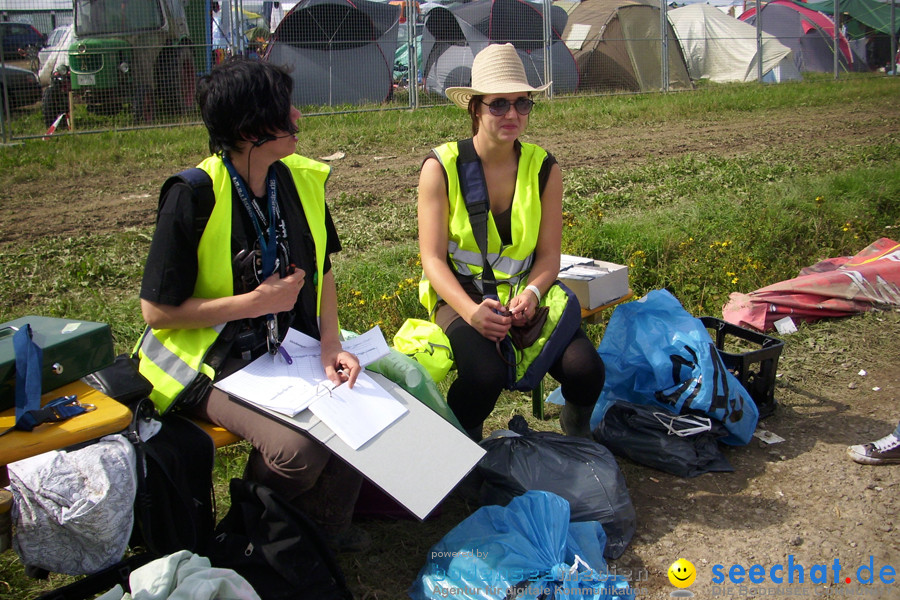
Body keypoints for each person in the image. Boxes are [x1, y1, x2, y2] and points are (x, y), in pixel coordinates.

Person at [137, 58, 368, 551]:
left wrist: (331, 344)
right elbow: (156, 314)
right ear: (249, 129)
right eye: (285, 110)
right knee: (298, 451)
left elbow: (323, 269)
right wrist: (252, 303)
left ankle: (320, 536)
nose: (300, 116)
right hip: (206, 364)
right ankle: (241, 538)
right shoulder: (192, 195)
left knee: (362, 406)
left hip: (282, 352)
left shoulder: (300, 181)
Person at [417, 43, 605, 441]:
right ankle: (463, 448)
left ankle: (576, 435)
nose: (513, 115)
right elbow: (432, 260)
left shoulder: (544, 168)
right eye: (499, 104)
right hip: (459, 295)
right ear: (475, 108)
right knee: (483, 375)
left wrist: (534, 293)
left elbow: (549, 257)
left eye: (523, 104)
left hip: (522, 294)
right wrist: (471, 313)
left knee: (586, 369)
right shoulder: (441, 167)